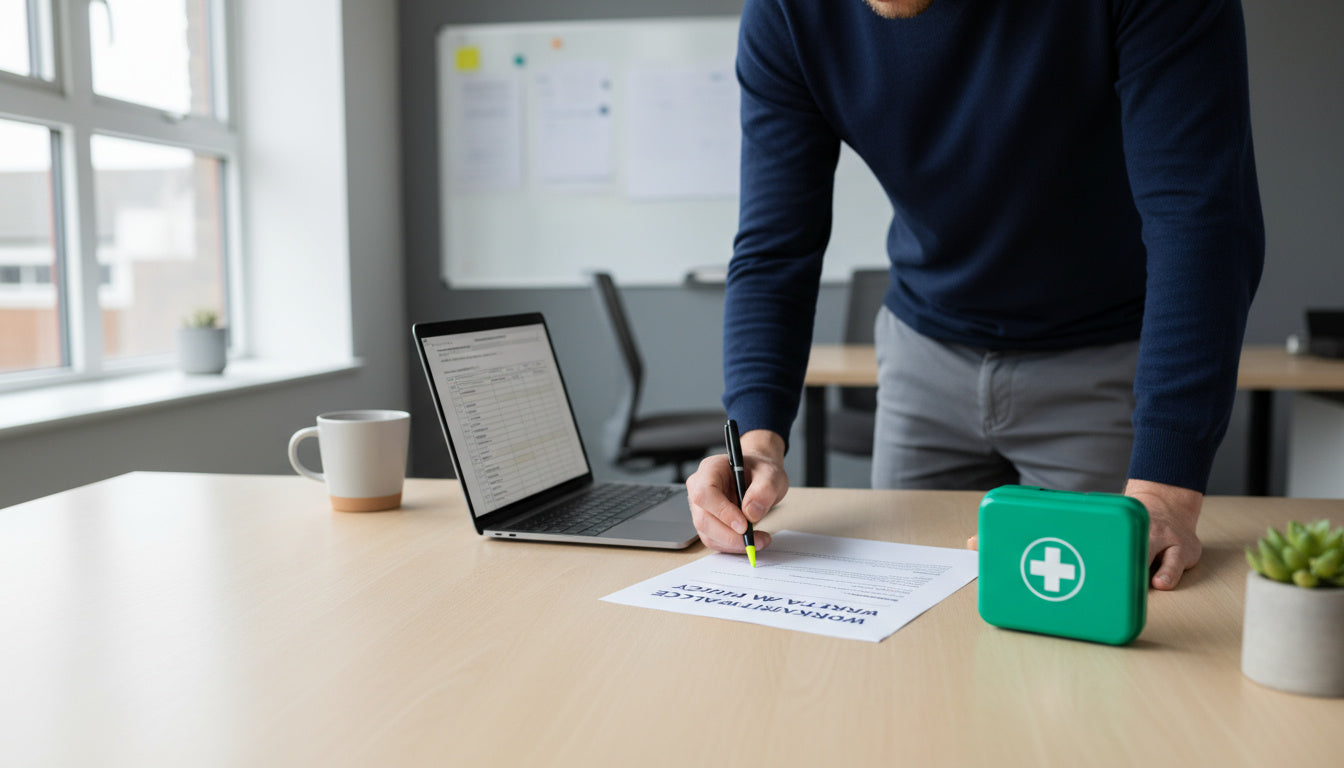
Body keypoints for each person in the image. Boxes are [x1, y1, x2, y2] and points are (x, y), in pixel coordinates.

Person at [687, 0, 1265, 590]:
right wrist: (755, 439)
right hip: (923, 359)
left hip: (1105, 361)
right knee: (902, 621)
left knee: (1100, 610)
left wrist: (1166, 490)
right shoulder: (785, 14)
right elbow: (776, 247)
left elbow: (1199, 222)